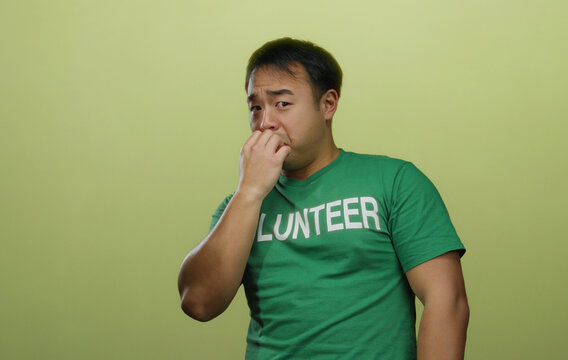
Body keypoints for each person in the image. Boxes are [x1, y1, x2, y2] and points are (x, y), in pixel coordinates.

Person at [178, 37, 469, 360]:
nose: (265, 122)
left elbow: (448, 301)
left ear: (328, 104)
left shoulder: (395, 182)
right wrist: (249, 191)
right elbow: (199, 303)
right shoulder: (240, 207)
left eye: (282, 104)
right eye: (255, 107)